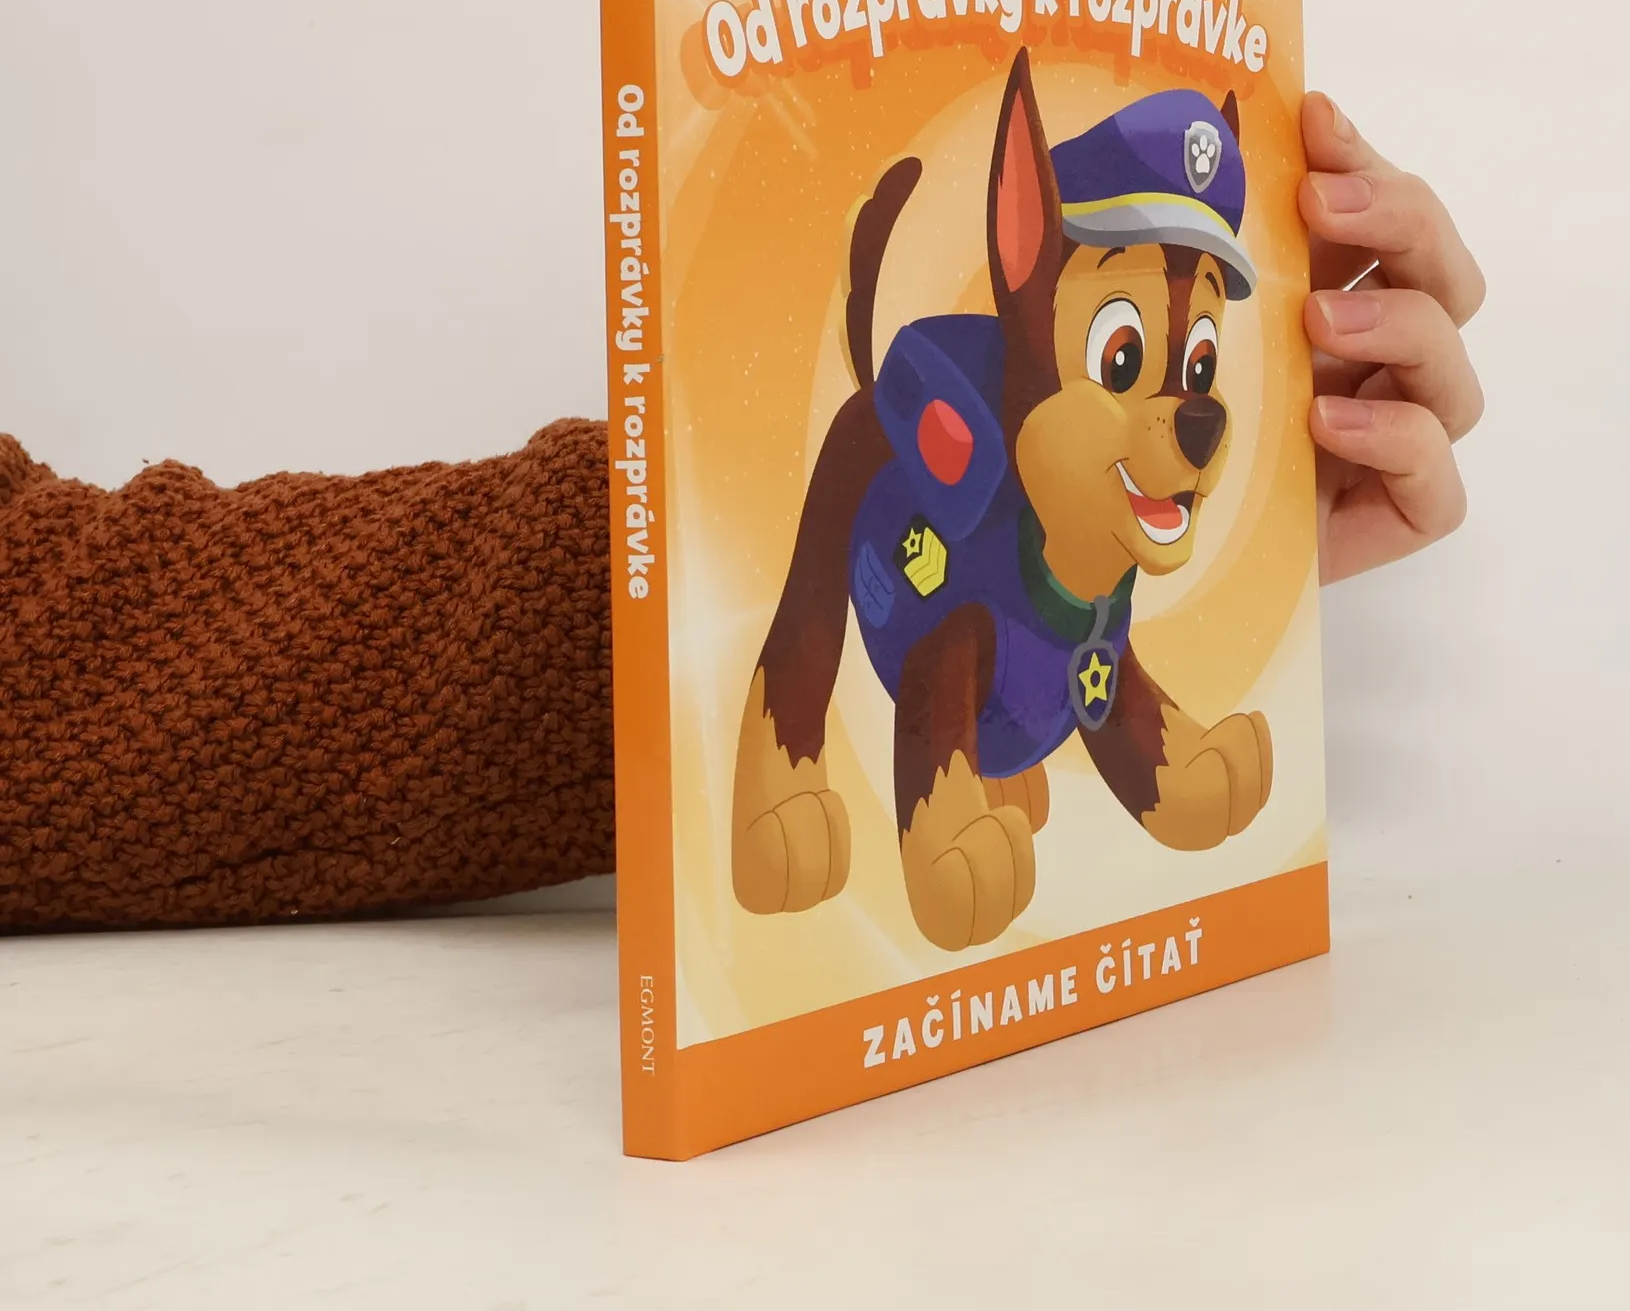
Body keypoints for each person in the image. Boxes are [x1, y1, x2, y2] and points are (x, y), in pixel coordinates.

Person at [0, 94, 1482, 930]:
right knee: (862, 636)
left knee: (1083, 651)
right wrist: (718, 604)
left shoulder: (1109, 519)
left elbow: (1106, 669)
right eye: (1125, 356)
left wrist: (1263, 517)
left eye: (1198, 364)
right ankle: (790, 749)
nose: (1190, 408)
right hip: (889, 610)